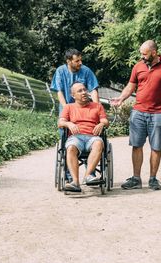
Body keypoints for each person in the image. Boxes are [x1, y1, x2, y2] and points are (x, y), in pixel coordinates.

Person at [111, 40, 161, 190]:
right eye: (141, 54)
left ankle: (153, 179)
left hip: (158, 113)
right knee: (136, 145)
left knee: (156, 147)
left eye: (144, 54)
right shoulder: (138, 66)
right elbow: (131, 86)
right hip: (138, 112)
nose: (142, 56)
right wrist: (121, 98)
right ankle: (136, 179)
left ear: (154, 52)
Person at [51, 48, 99, 181]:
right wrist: (67, 108)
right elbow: (59, 91)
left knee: (93, 134)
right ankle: (69, 175)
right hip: (67, 105)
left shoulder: (86, 71)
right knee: (65, 136)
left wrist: (97, 108)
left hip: (85, 107)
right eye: (77, 61)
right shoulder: (61, 71)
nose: (80, 63)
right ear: (69, 61)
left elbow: (93, 90)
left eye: (80, 60)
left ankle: (91, 173)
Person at [58, 82, 109, 192]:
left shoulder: (97, 106)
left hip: (92, 137)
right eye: (80, 91)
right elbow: (60, 122)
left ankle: (88, 176)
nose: (84, 92)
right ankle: (75, 183)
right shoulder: (68, 107)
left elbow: (105, 120)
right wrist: (69, 124)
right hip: (76, 138)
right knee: (70, 147)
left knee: (99, 143)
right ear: (73, 95)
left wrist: (101, 124)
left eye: (85, 90)